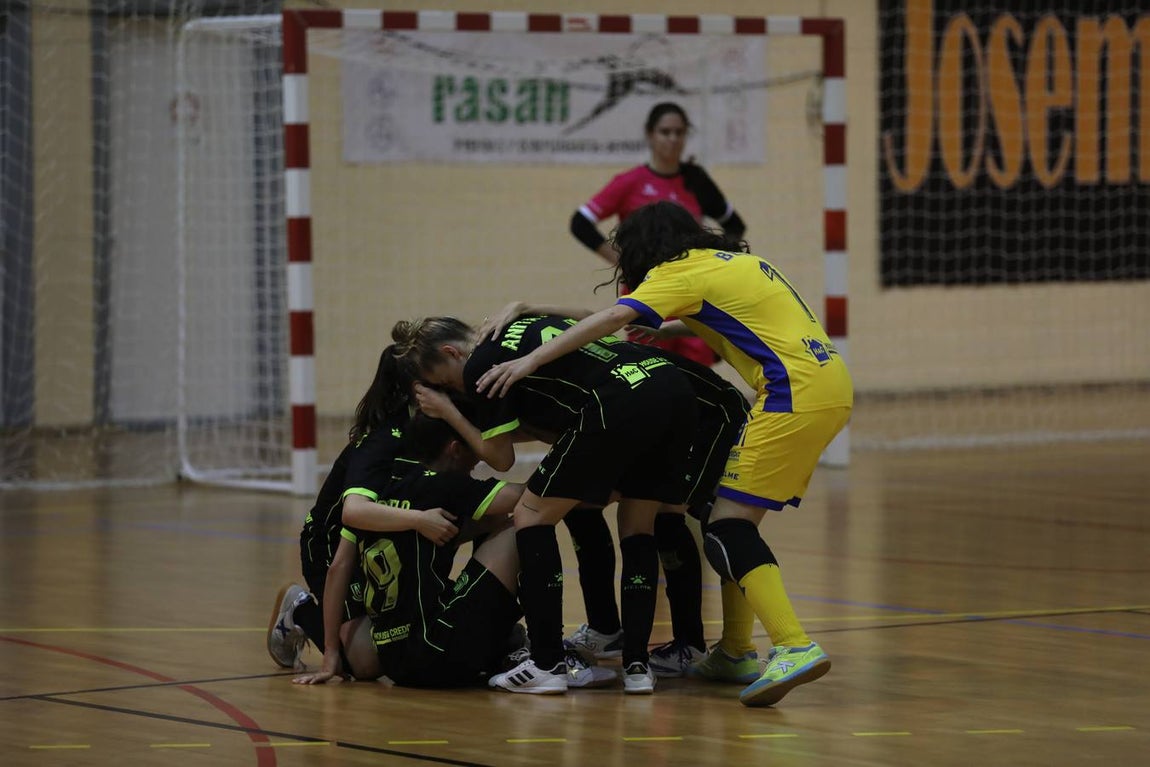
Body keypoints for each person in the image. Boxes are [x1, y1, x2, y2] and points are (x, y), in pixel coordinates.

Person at [477, 200, 854, 707]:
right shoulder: (737, 264)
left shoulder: (679, 273)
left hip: (790, 393)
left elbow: (608, 320)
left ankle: (793, 645)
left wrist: (527, 361)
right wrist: (531, 307)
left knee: (726, 529)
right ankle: (737, 652)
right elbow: (662, 323)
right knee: (736, 524)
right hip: (830, 385)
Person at [393, 315, 699, 694]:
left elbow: (500, 458)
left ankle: (547, 662)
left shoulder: (478, 366)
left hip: (616, 403)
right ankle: (636, 666)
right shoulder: (513, 325)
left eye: (444, 382)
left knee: (530, 515)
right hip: (668, 386)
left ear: (451, 352)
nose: (453, 390)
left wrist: (447, 410)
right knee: (635, 524)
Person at [564, 101, 749, 672]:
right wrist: (623, 259)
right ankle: (661, 636)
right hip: (643, 320)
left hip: (683, 337)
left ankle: (696, 637)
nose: (672, 140)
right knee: (654, 497)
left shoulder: (696, 182)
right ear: (650, 136)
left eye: (679, 131)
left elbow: (735, 229)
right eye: (663, 132)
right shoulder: (631, 183)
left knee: (676, 498)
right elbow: (579, 221)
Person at [267, 345, 426, 671]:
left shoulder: (427, 427)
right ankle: (298, 608)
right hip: (330, 542)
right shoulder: (385, 441)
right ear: (418, 387)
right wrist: (330, 653)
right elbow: (350, 526)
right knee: (362, 665)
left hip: (374, 538)